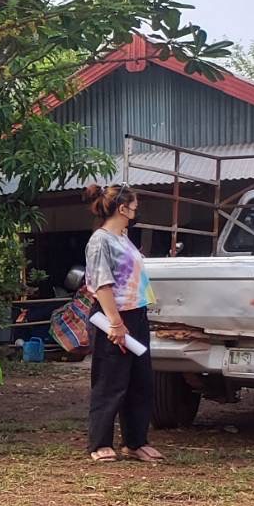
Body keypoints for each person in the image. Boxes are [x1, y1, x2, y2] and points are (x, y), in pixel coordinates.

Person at [82, 184, 163, 463]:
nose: (136, 210)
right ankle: (100, 443)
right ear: (122, 208)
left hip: (136, 314)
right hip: (113, 317)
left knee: (140, 381)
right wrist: (115, 323)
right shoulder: (100, 241)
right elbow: (101, 284)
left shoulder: (124, 238)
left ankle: (135, 442)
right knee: (110, 381)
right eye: (134, 206)